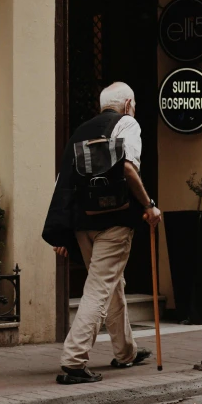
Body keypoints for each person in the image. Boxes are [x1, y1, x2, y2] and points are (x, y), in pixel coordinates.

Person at [42, 81, 161, 385]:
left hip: (83, 224)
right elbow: (129, 168)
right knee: (99, 287)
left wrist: (62, 233)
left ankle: (125, 352)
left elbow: (62, 182)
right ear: (128, 103)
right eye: (132, 105)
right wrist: (148, 205)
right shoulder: (127, 123)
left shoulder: (81, 131)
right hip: (115, 221)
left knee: (112, 285)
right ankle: (74, 360)